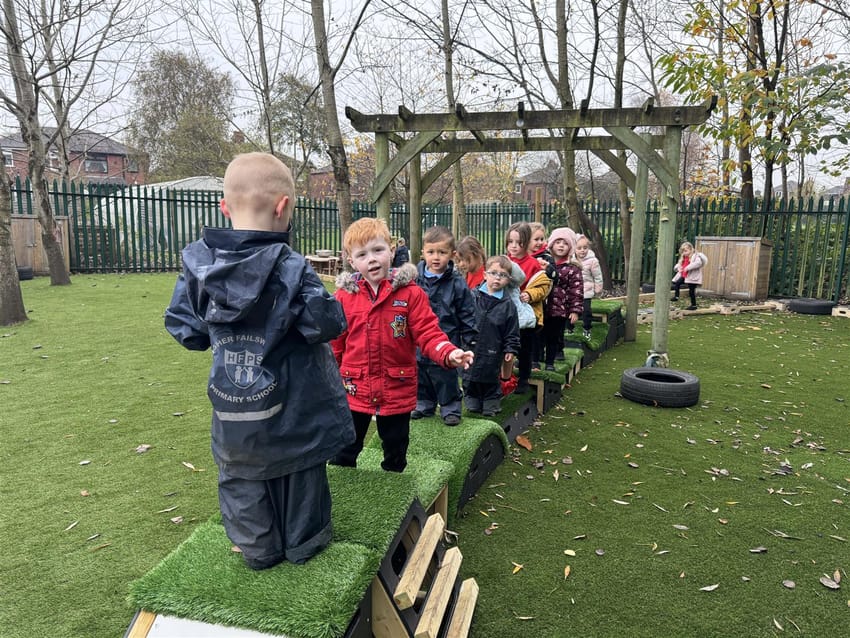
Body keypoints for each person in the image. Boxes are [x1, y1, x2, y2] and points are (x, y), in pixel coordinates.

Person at [164, 152, 356, 570]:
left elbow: (186, 329)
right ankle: (303, 546)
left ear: (224, 207)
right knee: (300, 475)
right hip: (294, 413)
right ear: (284, 207)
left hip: (235, 409)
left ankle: (257, 550)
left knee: (240, 476)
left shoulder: (198, 265)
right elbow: (326, 323)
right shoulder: (290, 266)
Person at [329, 218, 474, 471]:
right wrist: (328, 378)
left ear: (392, 251)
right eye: (362, 254)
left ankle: (394, 484)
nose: (372, 259)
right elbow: (335, 343)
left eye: (378, 250)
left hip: (396, 386)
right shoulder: (344, 297)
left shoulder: (410, 293)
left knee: (395, 446)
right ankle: (342, 489)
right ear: (351, 261)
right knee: (345, 446)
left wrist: (449, 353)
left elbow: (428, 332)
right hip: (354, 387)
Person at [413, 226, 478, 425]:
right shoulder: (415, 279)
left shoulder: (457, 283)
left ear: (452, 254)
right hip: (419, 340)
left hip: (447, 338)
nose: (436, 257)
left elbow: (467, 311)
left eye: (442, 252)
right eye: (431, 252)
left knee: (445, 376)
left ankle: (450, 407)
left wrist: (469, 339)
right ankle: (424, 404)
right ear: (423, 252)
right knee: (421, 374)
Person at [463, 255, 521, 416]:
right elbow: (463, 317)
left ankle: (491, 404)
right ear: (485, 275)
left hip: (493, 349)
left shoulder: (508, 305)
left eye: (502, 275)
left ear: (508, 279)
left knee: (490, 376)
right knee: (470, 375)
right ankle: (472, 398)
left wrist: (511, 349)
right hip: (470, 345)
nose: (497, 278)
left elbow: (512, 331)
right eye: (493, 273)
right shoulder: (472, 296)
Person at [506, 221, 552, 394]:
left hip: (526, 315)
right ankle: (506, 377)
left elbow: (543, 286)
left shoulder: (533, 264)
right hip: (506, 314)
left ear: (527, 243)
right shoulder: (504, 261)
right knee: (505, 348)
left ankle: (524, 379)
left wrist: (530, 294)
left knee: (525, 349)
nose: (514, 246)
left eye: (519, 242)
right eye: (510, 242)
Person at [543, 228, 583, 370]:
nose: (561, 245)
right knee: (539, 334)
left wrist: (575, 310)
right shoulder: (544, 263)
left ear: (570, 247)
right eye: (558, 242)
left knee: (555, 335)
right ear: (551, 244)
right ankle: (535, 357)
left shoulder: (572, 269)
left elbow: (576, 291)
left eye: (565, 243)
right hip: (542, 306)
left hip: (560, 309)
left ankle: (552, 360)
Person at [528, 222, 556, 368]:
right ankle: (523, 358)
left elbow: (554, 277)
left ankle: (536, 360)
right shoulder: (524, 257)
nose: (539, 243)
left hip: (541, 302)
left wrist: (548, 268)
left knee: (538, 331)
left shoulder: (546, 257)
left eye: (541, 239)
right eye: (535, 239)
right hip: (525, 300)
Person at [575, 234, 603, 339]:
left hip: (586, 290)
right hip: (573, 290)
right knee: (570, 310)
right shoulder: (571, 259)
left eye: (585, 248)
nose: (582, 250)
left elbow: (598, 276)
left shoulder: (593, 261)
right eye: (579, 248)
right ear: (574, 248)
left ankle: (587, 329)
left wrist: (598, 289)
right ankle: (569, 327)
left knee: (586, 310)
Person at [672, 241, 705, 310]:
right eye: (683, 251)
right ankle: (676, 297)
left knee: (691, 291)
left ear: (690, 249)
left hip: (692, 277)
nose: (684, 253)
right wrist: (679, 268)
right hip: (685, 276)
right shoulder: (684, 257)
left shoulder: (696, 256)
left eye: (686, 251)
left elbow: (698, 263)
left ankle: (693, 305)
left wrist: (687, 268)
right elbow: (679, 264)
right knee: (677, 283)